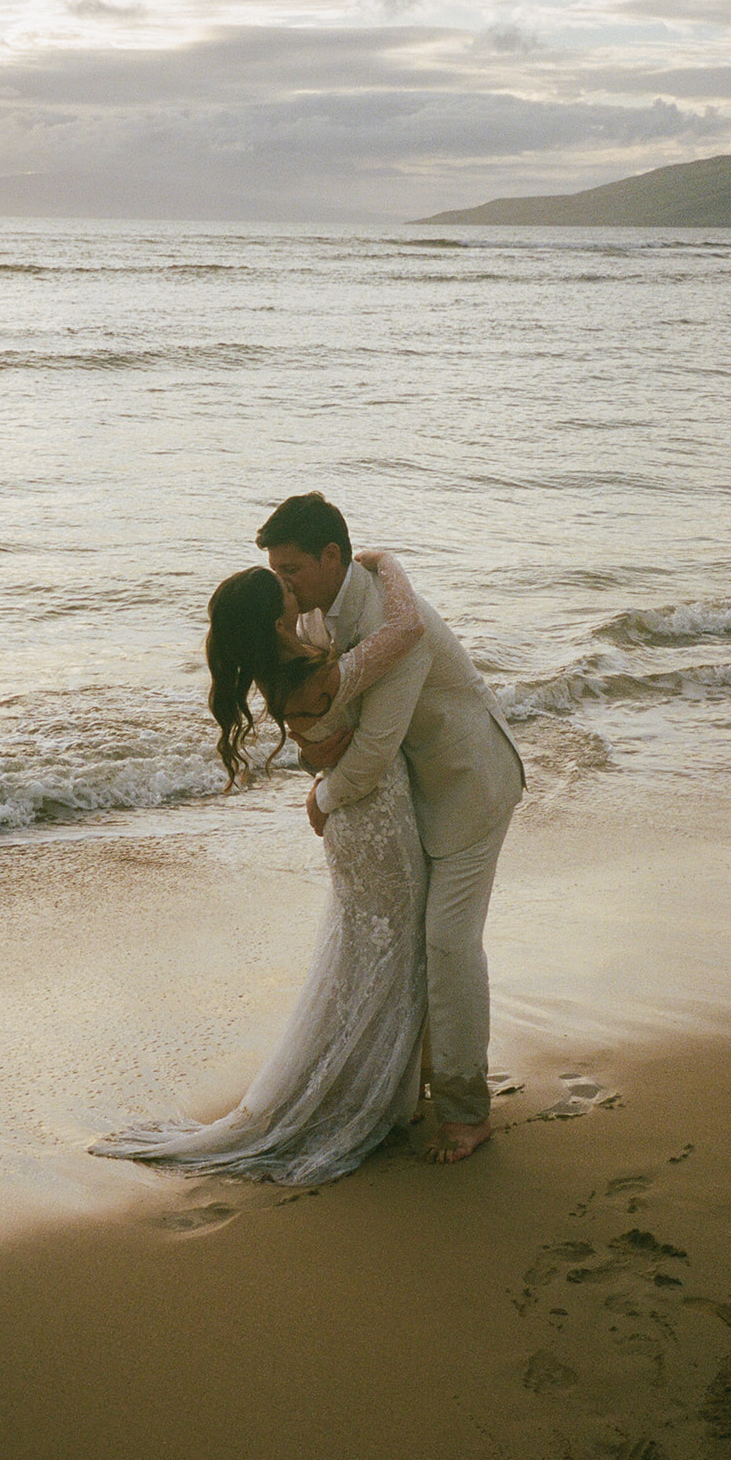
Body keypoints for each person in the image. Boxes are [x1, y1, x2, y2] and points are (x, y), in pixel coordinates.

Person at [89, 549, 431, 1185]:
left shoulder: (289, 668)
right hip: (376, 823)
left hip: (357, 823)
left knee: (366, 953)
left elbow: (325, 735)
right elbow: (406, 629)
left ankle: (374, 1090)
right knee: (389, 951)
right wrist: (387, 565)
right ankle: (367, 1100)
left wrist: (318, 765)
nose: (292, 585)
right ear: (275, 619)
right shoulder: (317, 675)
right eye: (282, 585)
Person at [257, 493, 525, 1165]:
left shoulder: (387, 619)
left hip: (468, 784)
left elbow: (372, 749)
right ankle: (414, 1079)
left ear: (330, 557)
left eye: (290, 568)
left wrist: (324, 798)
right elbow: (329, 723)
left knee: (448, 944)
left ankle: (466, 1111)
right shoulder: (320, 615)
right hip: (411, 795)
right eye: (272, 570)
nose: (280, 583)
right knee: (413, 939)